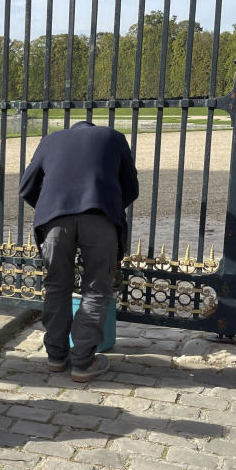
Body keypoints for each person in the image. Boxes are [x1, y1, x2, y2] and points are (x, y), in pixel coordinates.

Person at [19, 121, 139, 382]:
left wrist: (51, 206)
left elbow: (26, 187)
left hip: (53, 219)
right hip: (100, 216)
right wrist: (107, 204)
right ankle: (84, 361)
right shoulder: (113, 137)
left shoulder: (50, 140)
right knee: (96, 287)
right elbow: (131, 188)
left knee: (56, 286)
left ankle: (56, 357)